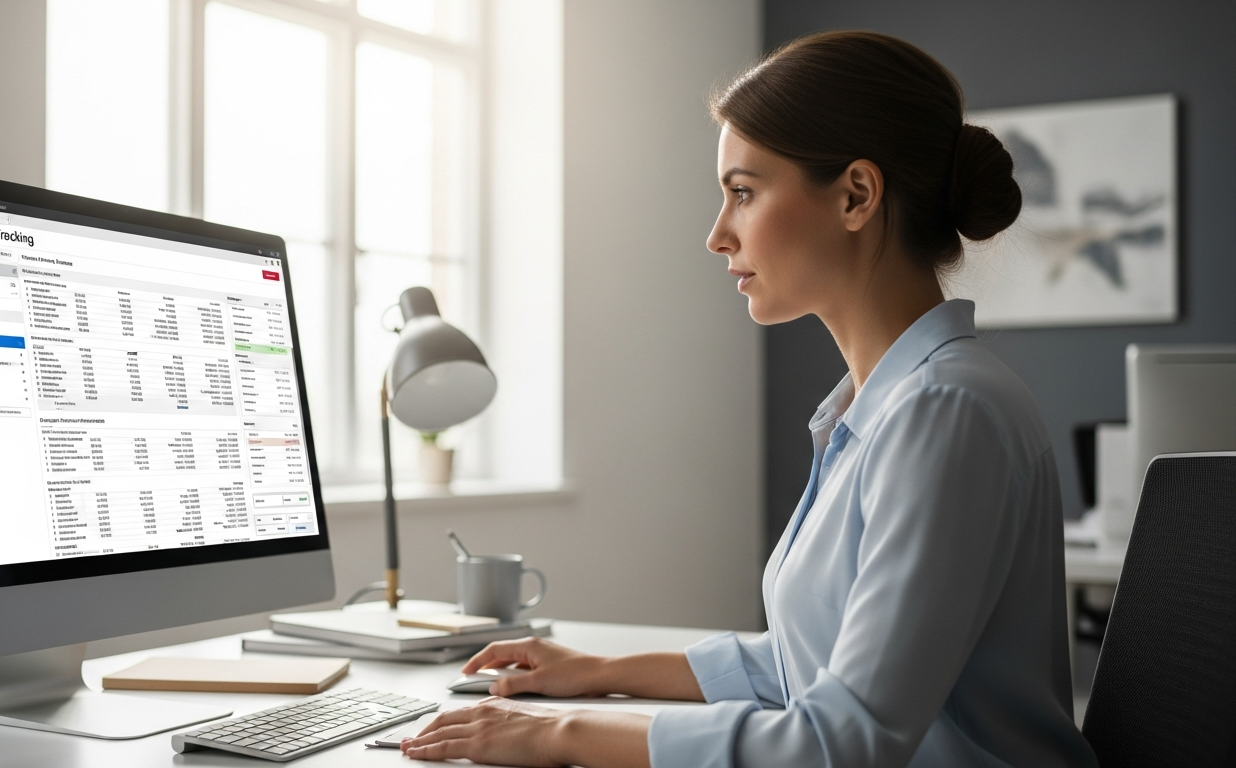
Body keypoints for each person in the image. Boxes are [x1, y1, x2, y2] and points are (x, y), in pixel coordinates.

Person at [400, 30, 1099, 768]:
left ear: (856, 195)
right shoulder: (881, 409)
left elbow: (840, 739)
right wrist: (595, 674)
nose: (716, 235)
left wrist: (560, 734)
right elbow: (805, 667)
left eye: (743, 192)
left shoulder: (947, 412)